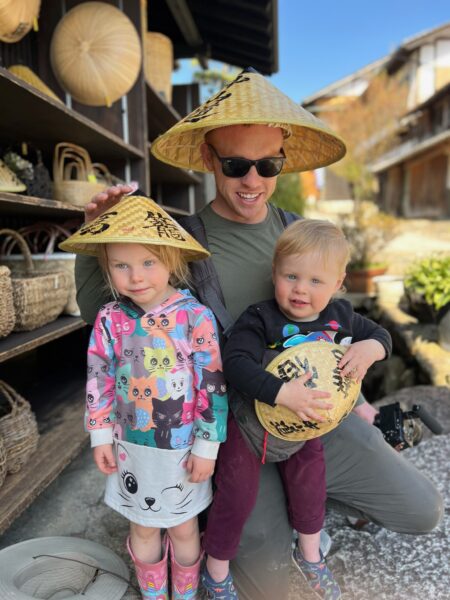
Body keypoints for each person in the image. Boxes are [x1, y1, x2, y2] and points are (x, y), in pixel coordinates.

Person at [75, 68, 443, 600]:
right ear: (209, 158)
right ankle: (242, 514)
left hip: (315, 416)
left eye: (267, 164)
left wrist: (359, 393)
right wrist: (99, 236)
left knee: (422, 511)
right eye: (235, 164)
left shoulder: (297, 231)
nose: (252, 180)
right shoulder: (181, 244)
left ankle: (311, 504)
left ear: (282, 160)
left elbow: (334, 323)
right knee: (264, 584)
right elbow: (107, 317)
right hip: (240, 431)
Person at [201, 219, 392, 600]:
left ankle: (310, 555)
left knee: (310, 486)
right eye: (291, 276)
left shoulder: (340, 316)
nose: (301, 289)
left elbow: (381, 335)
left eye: (316, 281)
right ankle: (215, 571)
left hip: (305, 426)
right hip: (251, 426)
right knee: (236, 495)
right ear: (274, 274)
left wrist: (371, 349)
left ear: (338, 283)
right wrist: (281, 392)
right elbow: (234, 363)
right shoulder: (260, 317)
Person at [62, 196, 228, 599]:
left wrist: (207, 447)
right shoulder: (110, 319)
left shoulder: (195, 317)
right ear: (107, 267)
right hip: (130, 446)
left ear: (172, 260)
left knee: (185, 526)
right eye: (121, 265)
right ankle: (154, 593)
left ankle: (185, 594)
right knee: (142, 525)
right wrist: (100, 436)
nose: (136, 277)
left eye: (148, 262)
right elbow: (99, 377)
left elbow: (212, 384)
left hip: (183, 447)